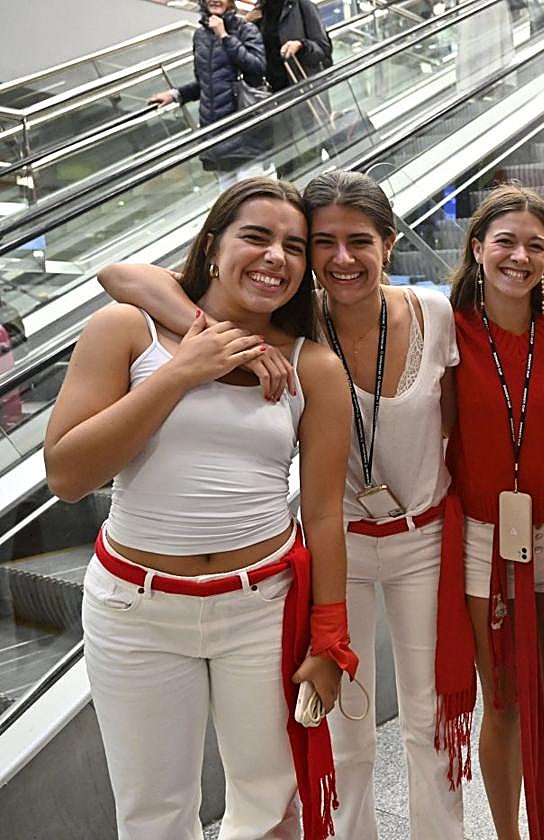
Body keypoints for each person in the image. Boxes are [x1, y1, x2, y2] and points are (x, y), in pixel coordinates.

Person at [97, 169, 472, 840]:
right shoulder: (287, 325)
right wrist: (207, 334)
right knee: (345, 725)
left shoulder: (427, 315)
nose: (341, 259)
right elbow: (119, 274)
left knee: (429, 717)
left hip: (418, 538)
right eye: (322, 242)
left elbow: (458, 421)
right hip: (334, 547)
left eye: (359, 240)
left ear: (390, 243)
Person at [44, 177, 357, 840]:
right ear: (212, 247)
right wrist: (184, 369)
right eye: (256, 236)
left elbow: (325, 514)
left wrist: (330, 640)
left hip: (262, 608)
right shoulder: (127, 329)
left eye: (293, 246)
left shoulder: (313, 366)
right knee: (153, 816)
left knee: (271, 810)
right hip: (136, 613)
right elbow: (69, 476)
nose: (276, 255)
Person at [445, 184, 544, 840]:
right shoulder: (444, 327)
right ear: (477, 248)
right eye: (505, 241)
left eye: (536, 245)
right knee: (504, 701)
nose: (519, 256)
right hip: (485, 532)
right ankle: (509, 834)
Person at [149, 0, 268, 177]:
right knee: (227, 201)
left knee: (251, 196)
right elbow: (205, 83)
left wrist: (225, 37)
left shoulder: (245, 29)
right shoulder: (200, 35)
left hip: (244, 129)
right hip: (215, 135)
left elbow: (257, 67)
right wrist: (176, 94)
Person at [248, 0, 334, 92]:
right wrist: (246, 23)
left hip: (304, 86)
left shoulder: (301, 5)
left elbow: (323, 49)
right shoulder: (260, 10)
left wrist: (301, 45)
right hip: (274, 90)